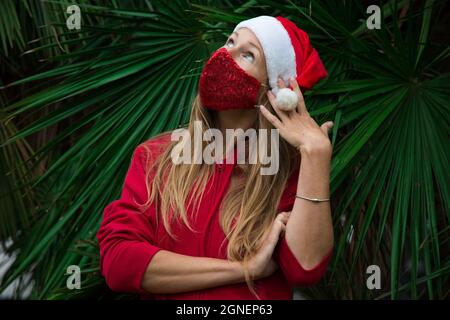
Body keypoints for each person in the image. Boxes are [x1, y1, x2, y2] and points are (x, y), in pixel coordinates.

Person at [97, 15, 334, 300]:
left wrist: (316, 156)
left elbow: (305, 269)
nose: (225, 53)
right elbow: (119, 264)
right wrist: (244, 270)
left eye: (248, 54)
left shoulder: (289, 173)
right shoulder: (156, 157)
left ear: (274, 91)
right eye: (230, 42)